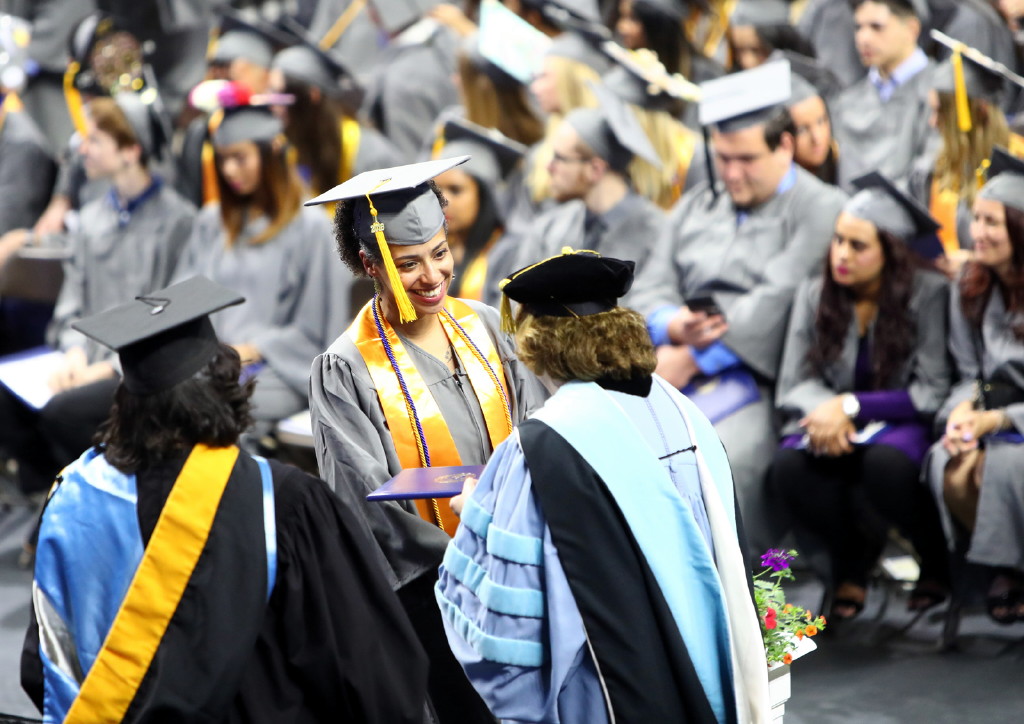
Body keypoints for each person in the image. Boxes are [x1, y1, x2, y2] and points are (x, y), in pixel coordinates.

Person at [21, 276, 429, 722]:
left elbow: (42, 665)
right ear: (226, 383)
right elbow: (369, 673)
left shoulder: (74, 496)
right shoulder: (284, 503)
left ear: (124, 401)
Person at [437, 249, 770, 724]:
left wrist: (476, 515)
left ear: (542, 345)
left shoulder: (547, 444)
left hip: (605, 688)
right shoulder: (684, 413)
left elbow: (509, 617)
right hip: (707, 672)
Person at [307, 157, 545, 724]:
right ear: (371, 264)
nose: (433, 276)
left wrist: (515, 538)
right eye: (408, 263)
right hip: (433, 591)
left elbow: (537, 429)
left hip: (522, 565)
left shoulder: (485, 323)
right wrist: (469, 557)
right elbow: (364, 500)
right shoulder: (344, 368)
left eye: (440, 253)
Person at [630, 60, 847, 552]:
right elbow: (651, 281)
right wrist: (672, 323)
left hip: (762, 374)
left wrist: (693, 357)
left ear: (785, 146)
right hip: (667, 362)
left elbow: (778, 297)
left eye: (745, 159)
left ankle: (746, 595)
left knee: (722, 457)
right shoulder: (698, 203)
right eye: (722, 157)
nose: (731, 172)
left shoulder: (821, 206)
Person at [769, 172, 952, 621]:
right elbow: (794, 382)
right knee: (790, 467)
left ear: (890, 251)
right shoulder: (816, 292)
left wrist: (851, 406)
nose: (841, 255)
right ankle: (852, 556)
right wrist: (828, 411)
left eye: (857, 246)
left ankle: (935, 558)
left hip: (902, 420)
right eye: (837, 241)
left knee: (884, 465)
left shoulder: (928, 294)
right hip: (832, 420)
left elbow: (931, 390)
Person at [0, 91, 195, 495]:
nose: (80, 149)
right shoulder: (89, 221)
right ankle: (55, 496)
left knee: (63, 413)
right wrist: (73, 351)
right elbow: (72, 303)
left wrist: (106, 368)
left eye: (93, 140)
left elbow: (168, 312)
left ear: (130, 150)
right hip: (80, 362)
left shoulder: (178, 223)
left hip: (137, 370)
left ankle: (92, 496)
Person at [172, 98, 346, 437]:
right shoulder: (213, 221)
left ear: (269, 156)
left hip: (280, 369)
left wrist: (255, 349)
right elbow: (183, 299)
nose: (229, 171)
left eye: (240, 158)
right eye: (223, 160)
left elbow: (315, 329)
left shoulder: (312, 227)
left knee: (214, 407)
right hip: (215, 362)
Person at [925, 148, 1024, 624]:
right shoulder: (971, 285)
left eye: (992, 222)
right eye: (976, 219)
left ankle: (1011, 571)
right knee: (949, 464)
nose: (976, 233)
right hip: (989, 416)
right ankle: (999, 570)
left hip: (1016, 421)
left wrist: (1001, 418)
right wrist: (962, 411)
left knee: (996, 470)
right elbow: (968, 372)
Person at [508, 80, 667, 293]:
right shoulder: (550, 227)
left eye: (559, 158)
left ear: (595, 169)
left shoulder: (657, 233)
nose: (549, 166)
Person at [910, 45, 1024, 278]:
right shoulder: (934, 170)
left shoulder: (1018, 162)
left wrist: (974, 264)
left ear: (980, 110)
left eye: (941, 111)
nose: (932, 122)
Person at [269, 25, 401, 205]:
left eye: (281, 96)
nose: (273, 106)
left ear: (312, 96)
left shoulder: (371, 156)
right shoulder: (291, 148)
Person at [830, 0, 936, 189]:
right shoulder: (848, 102)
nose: (863, 38)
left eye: (876, 27)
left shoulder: (938, 95)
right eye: (858, 27)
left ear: (912, 29)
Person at [431, 117, 527, 304]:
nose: (443, 201)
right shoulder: (432, 246)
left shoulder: (511, 252)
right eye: (436, 190)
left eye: (456, 190)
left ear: (484, 196)